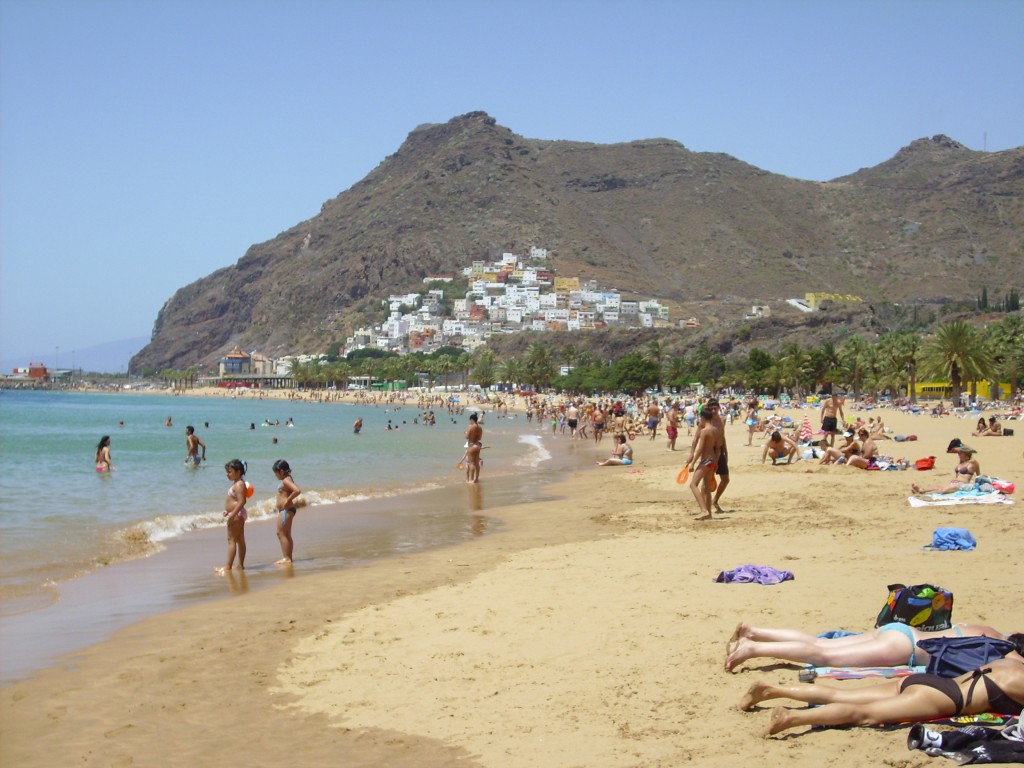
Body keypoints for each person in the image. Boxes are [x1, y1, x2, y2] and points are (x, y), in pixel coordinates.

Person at [741, 657, 1024, 737]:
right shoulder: (1020, 680)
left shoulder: (1011, 661)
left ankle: (773, 691)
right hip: (944, 698)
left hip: (926, 681)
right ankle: (793, 717)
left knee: (843, 695)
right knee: (866, 715)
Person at [726, 620, 1020, 672]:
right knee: (824, 655)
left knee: (821, 643)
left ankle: (754, 632)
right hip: (904, 648)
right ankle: (753, 649)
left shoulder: (989, 630)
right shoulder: (997, 652)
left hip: (900, 630)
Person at [688, 397, 730, 514]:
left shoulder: (721, 421)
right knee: (705, 484)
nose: (713, 411)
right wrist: (692, 454)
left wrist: (725, 452)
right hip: (712, 454)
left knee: (724, 479)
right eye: (711, 409)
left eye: (715, 408)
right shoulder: (705, 423)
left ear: (719, 408)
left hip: (713, 455)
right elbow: (696, 438)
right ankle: (706, 509)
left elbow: (721, 438)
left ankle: (710, 505)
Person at [686, 409, 722, 520]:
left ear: (702, 417)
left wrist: (692, 463)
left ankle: (703, 510)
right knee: (706, 488)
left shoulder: (704, 431)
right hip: (713, 460)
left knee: (693, 484)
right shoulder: (715, 430)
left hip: (706, 460)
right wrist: (716, 460)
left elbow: (700, 449)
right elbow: (718, 448)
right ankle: (709, 513)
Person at [217, 459, 248, 574]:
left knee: (231, 540)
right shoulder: (237, 483)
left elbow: (242, 501)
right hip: (237, 513)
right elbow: (234, 500)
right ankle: (240, 565)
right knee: (239, 539)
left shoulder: (239, 484)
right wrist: (227, 511)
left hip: (237, 514)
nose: (227, 474)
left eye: (229, 472)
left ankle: (228, 566)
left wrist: (232, 514)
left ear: (238, 471)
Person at [912, 445, 980, 494]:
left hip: (962, 484)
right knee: (938, 487)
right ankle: (922, 490)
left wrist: (976, 485)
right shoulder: (961, 463)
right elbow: (957, 475)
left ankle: (923, 493)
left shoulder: (973, 462)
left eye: (960, 453)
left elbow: (979, 476)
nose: (958, 454)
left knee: (943, 490)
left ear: (966, 454)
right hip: (954, 482)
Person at [272, 459, 302, 565]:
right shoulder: (288, 478)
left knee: (280, 533)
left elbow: (297, 490)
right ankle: (289, 557)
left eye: (276, 473)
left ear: (281, 471)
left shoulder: (285, 480)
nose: (276, 476)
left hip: (286, 510)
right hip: (288, 510)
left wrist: (288, 500)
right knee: (287, 534)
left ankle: (287, 558)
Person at [464, 412, 483, 483]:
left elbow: (467, 437)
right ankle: (476, 478)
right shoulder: (480, 428)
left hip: (471, 445)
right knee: (476, 463)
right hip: (478, 445)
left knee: (471, 463)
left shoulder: (471, 427)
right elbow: (480, 438)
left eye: (470, 420)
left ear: (472, 420)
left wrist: (465, 433)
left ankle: (471, 479)